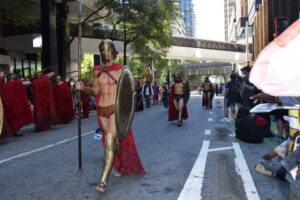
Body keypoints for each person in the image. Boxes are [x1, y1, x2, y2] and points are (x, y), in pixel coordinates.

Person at [76, 39, 145, 194]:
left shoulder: (122, 70)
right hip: (101, 110)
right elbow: (95, 92)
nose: (105, 53)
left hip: (115, 110)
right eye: (102, 50)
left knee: (109, 142)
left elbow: (130, 94)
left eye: (108, 50)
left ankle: (103, 181)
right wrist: (83, 88)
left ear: (113, 51)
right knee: (112, 144)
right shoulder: (97, 70)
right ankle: (123, 163)